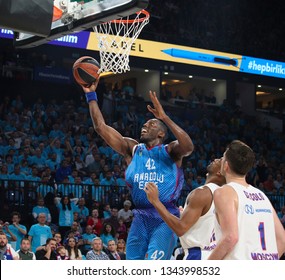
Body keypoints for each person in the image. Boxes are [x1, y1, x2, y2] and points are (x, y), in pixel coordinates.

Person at [81, 82, 194, 260]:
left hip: (165, 216)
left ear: (161, 134)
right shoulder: (132, 149)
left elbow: (188, 146)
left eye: (151, 124)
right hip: (140, 217)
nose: (145, 126)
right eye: (144, 124)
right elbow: (100, 128)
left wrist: (164, 117)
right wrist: (91, 95)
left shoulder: (170, 151)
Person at [207, 140, 285, 260]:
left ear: (226, 166)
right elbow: (282, 240)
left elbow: (230, 237)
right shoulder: (261, 195)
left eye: (222, 158)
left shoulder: (224, 192)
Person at [145, 158, 226, 260]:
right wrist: (185, 217)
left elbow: (180, 228)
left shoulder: (201, 193)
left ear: (219, 172)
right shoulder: (225, 196)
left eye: (220, 161)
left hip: (198, 255)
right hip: (215, 254)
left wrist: (155, 201)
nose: (216, 159)